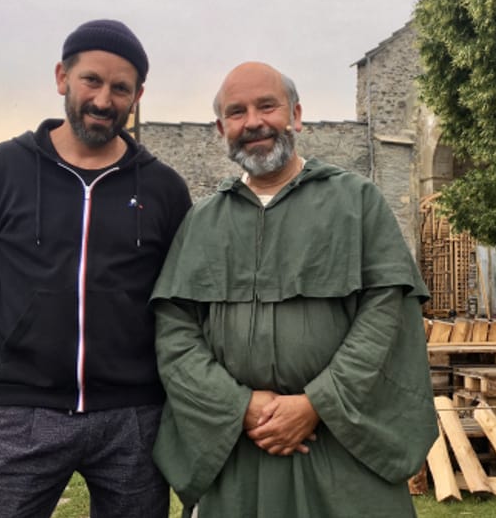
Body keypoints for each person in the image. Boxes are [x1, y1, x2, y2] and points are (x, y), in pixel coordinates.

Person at [151, 62, 437, 518]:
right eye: (237, 112)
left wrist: (316, 403)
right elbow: (174, 332)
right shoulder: (201, 222)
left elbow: (386, 316)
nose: (254, 122)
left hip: (342, 446)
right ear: (220, 129)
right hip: (235, 448)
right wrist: (237, 405)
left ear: (296, 115)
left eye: (267, 106)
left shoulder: (357, 202)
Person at [0, 19, 192, 518]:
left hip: (133, 417)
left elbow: (179, 298)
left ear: (138, 96)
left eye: (120, 88)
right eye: (92, 80)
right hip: (24, 414)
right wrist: (11, 376)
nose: (104, 100)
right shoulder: (1, 170)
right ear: (62, 76)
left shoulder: (164, 189)